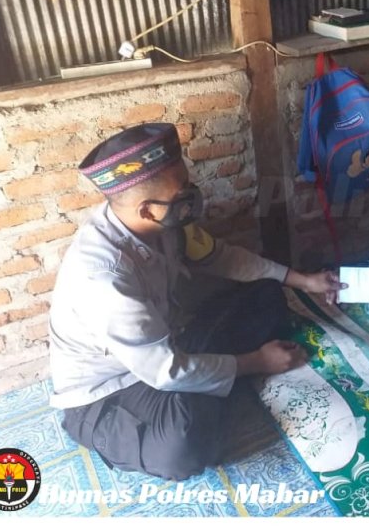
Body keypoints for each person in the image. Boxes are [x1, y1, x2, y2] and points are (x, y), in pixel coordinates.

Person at [48, 123, 345, 481]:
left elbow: (222, 257)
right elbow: (163, 371)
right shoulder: (104, 275)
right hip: (114, 388)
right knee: (183, 450)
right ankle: (218, 382)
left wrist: (303, 279)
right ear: (146, 210)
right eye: (180, 193)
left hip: (169, 343)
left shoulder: (167, 221)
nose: (189, 197)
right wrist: (256, 361)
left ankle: (215, 380)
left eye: (187, 184)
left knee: (266, 294)